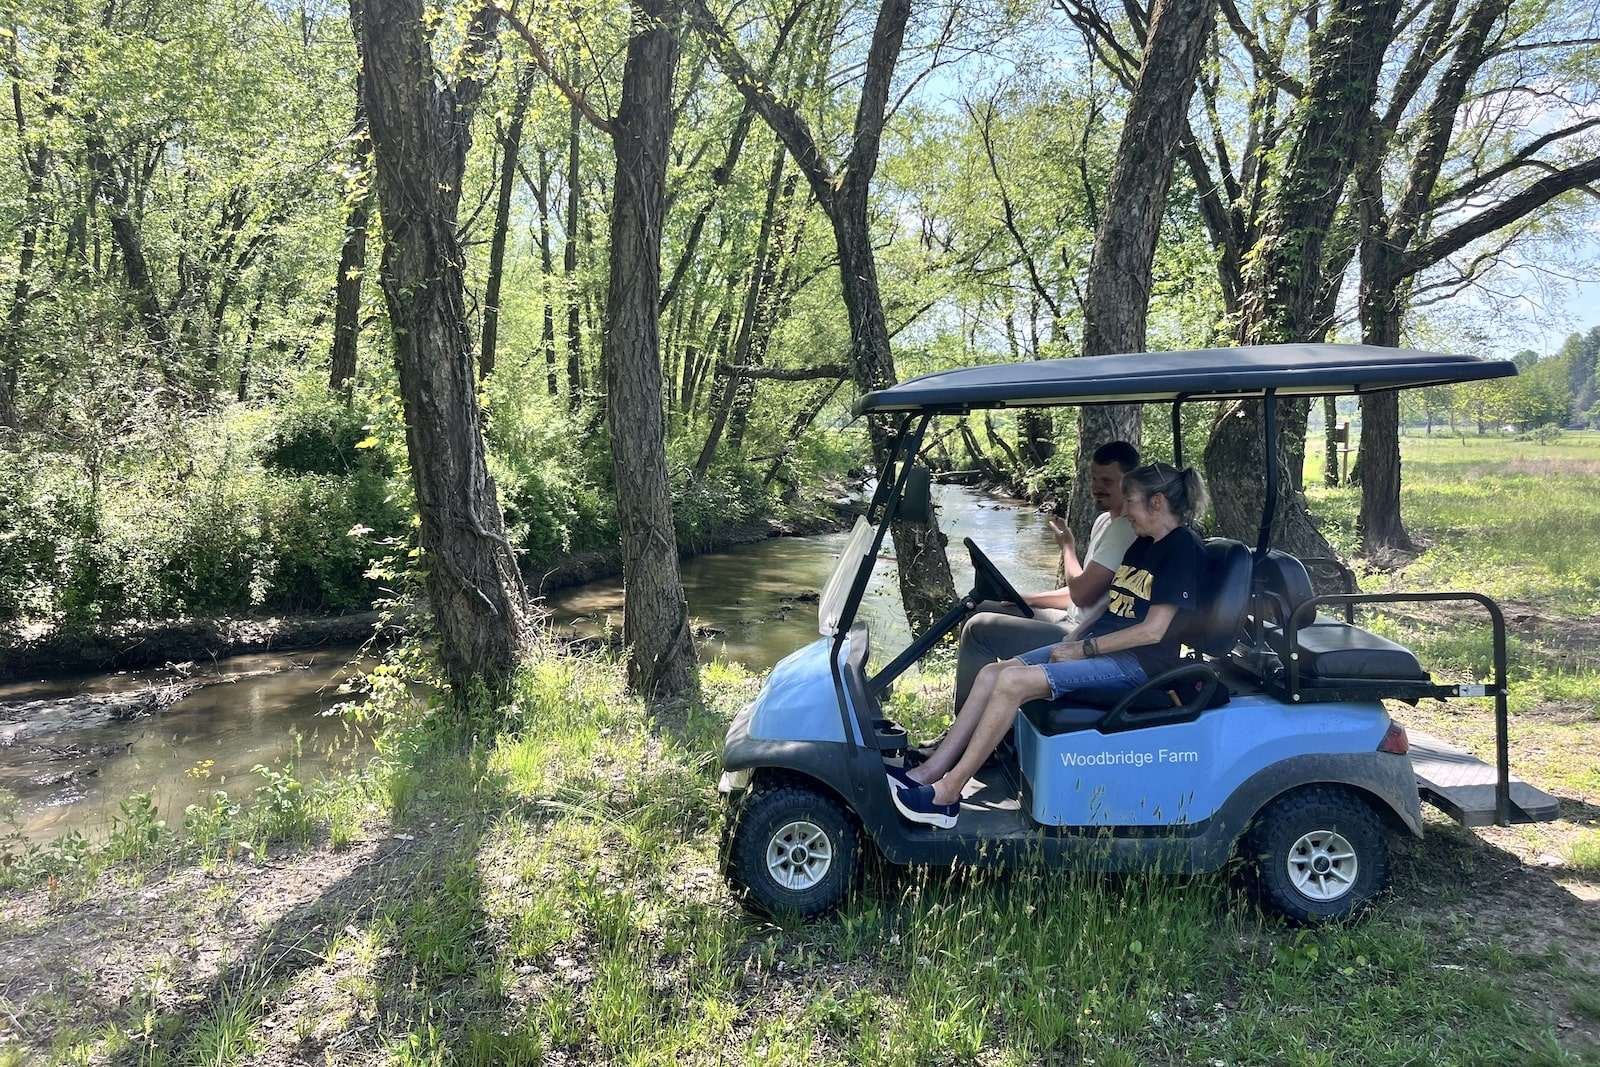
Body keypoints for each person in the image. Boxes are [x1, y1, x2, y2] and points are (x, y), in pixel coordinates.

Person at [890, 463, 1210, 828]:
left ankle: (948, 794)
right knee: (993, 672)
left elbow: (1152, 632)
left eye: (1131, 501)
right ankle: (929, 771)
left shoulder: (1182, 550)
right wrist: (1074, 638)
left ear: (1156, 503)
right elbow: (1114, 606)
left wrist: (1083, 650)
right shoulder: (1142, 544)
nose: (1125, 510)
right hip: (1100, 648)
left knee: (1013, 683)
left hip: (1137, 666)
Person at [951, 440, 1141, 710]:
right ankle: (983, 717)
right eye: (1093, 479)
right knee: (976, 608)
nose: (1097, 488)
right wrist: (1024, 599)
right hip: (1070, 619)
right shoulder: (1104, 521)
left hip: (1083, 636)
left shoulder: (1126, 529)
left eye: (1107, 481)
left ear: (1131, 482)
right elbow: (1079, 596)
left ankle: (965, 730)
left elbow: (1082, 594)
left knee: (978, 629)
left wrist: (1068, 547)